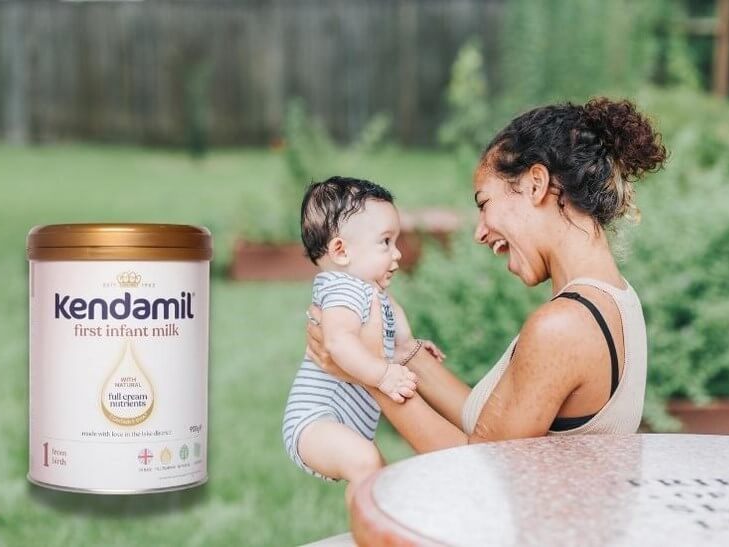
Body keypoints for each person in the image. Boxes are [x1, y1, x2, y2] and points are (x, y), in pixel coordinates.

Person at [306, 98, 667, 455]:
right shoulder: (617, 299)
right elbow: (494, 427)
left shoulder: (562, 326)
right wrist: (403, 352)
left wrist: (370, 377)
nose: (479, 233)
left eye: (484, 203)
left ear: (536, 184)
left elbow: (479, 466)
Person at [282, 176, 444, 503]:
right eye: (386, 242)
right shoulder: (342, 288)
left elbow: (389, 339)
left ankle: (370, 525)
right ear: (341, 251)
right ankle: (366, 528)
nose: (397, 253)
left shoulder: (369, 290)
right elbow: (338, 343)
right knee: (366, 464)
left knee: (380, 480)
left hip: (340, 421)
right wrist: (383, 375)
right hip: (316, 419)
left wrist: (411, 347)